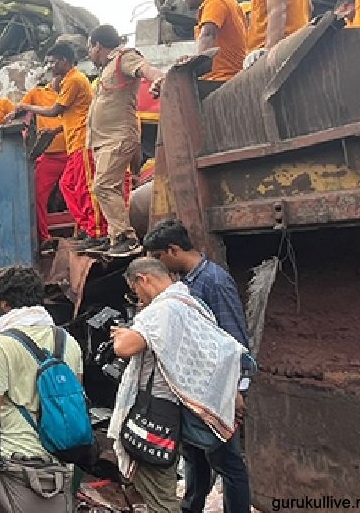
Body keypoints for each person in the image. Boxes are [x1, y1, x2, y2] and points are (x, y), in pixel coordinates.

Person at [109, 259, 247, 513]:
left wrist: (122, 335)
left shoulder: (164, 310)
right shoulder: (191, 304)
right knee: (203, 468)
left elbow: (124, 348)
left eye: (134, 290)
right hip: (200, 404)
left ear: (143, 279)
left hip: (163, 411)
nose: (137, 297)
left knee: (162, 490)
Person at [142, 219, 254, 513]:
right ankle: (191, 508)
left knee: (227, 462)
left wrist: (238, 390)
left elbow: (234, 339)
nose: (158, 265)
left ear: (173, 249)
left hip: (217, 391)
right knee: (195, 456)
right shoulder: (187, 284)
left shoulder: (214, 281)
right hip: (194, 391)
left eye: (158, 257)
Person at [0, 265, 81, 512]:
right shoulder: (67, 341)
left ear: (4, 304)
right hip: (55, 457)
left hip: (8, 457)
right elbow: (75, 398)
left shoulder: (1, 344)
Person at [10, 43, 99, 252]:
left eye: (53, 62)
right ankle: (53, 235)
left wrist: (28, 108)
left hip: (78, 145)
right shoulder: (44, 90)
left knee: (82, 188)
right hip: (59, 151)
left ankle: (92, 231)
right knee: (66, 187)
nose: (50, 67)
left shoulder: (73, 81)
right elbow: (19, 116)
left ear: (63, 61)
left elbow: (55, 111)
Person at [85, 25, 164, 257]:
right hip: (105, 140)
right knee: (113, 188)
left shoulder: (124, 58)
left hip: (117, 138)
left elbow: (145, 69)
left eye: (89, 48)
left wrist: (159, 79)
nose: (89, 54)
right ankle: (114, 236)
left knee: (103, 186)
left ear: (97, 45)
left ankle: (125, 238)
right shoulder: (108, 67)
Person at [180, 0, 247, 93]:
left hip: (220, 79)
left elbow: (208, 34)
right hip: (233, 75)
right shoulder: (229, 1)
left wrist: (193, 68)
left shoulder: (215, 2)